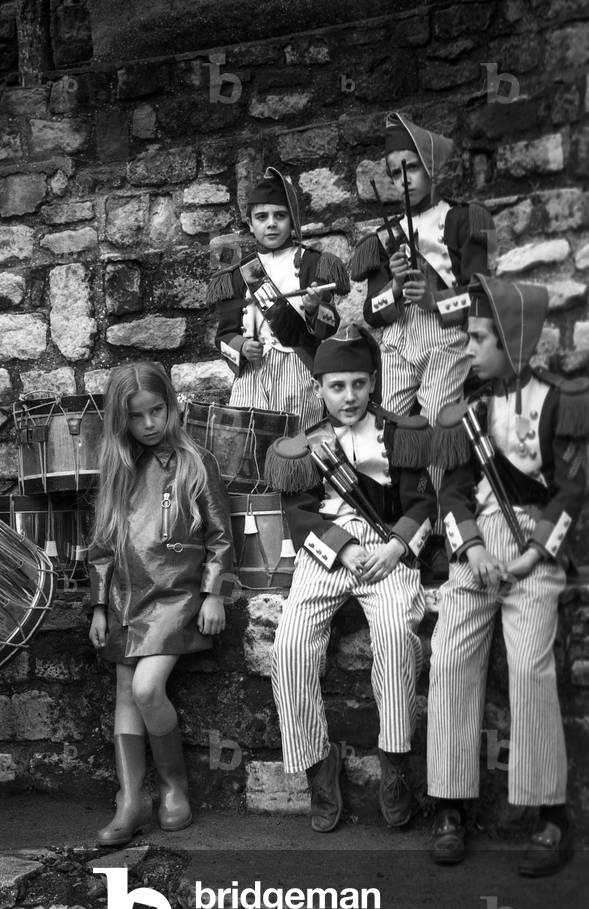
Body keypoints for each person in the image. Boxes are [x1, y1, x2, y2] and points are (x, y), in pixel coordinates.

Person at [426, 275, 588, 876]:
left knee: (528, 662)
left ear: (512, 342)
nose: (467, 348)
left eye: (476, 338)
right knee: (448, 657)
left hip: (530, 553)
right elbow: (453, 492)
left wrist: (532, 556)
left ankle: (551, 813)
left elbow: (571, 490)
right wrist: (470, 550)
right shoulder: (469, 410)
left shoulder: (557, 401)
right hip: (478, 552)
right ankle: (447, 804)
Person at [265, 326, 435, 832]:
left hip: (387, 547)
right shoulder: (306, 444)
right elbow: (298, 511)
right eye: (337, 386)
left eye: (359, 384)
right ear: (319, 388)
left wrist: (397, 546)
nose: (349, 396)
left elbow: (423, 502)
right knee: (290, 645)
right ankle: (319, 766)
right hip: (328, 550)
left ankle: (395, 763)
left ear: (374, 381)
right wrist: (343, 547)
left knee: (396, 636)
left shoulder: (402, 432)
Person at [88, 363, 234, 845]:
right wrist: (98, 606)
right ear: (121, 420)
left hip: (175, 594)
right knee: (126, 690)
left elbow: (218, 535)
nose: (150, 424)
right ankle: (131, 799)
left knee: (149, 688)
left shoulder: (195, 461)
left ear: (171, 405)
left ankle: (174, 785)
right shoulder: (118, 470)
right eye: (137, 416)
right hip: (127, 597)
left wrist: (214, 593)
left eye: (157, 410)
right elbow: (104, 543)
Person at [349, 111, 496, 426]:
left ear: (432, 166)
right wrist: (395, 288)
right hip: (397, 342)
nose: (404, 179)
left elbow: (482, 298)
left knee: (435, 427)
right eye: (395, 173)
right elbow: (372, 312)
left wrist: (435, 300)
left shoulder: (463, 220)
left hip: (445, 339)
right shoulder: (384, 237)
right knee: (390, 430)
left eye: (412, 167)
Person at [208, 167, 350, 431]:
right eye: (262, 217)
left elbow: (330, 325)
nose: (271, 223)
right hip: (253, 373)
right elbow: (223, 337)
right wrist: (241, 346)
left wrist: (314, 309)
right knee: (250, 448)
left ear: (292, 220)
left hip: (299, 371)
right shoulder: (238, 275)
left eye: (280, 216)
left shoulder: (314, 264)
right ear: (250, 223)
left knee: (297, 447)